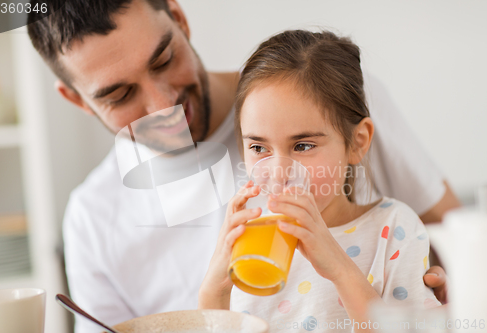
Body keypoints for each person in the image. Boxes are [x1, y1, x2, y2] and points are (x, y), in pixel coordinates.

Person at [26, 0, 457, 331]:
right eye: (119, 95)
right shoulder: (91, 217)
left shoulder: (330, 100)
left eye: (163, 60)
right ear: (77, 100)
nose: (163, 107)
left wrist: (459, 295)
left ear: (179, 18)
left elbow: (462, 242)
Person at [198, 30, 441, 333]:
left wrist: (340, 269)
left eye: (302, 146)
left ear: (357, 143)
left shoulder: (393, 229)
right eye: (259, 148)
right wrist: (213, 294)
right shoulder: (248, 246)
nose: (278, 172)